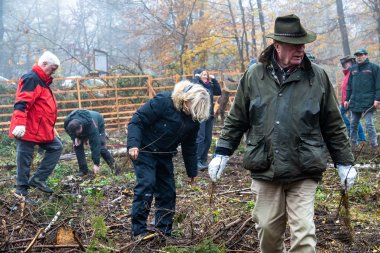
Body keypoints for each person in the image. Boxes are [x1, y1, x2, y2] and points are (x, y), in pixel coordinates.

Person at [208, 14, 357, 253]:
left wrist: (344, 162)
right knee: (267, 228)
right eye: (295, 45)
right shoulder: (255, 76)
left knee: (304, 233)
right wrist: (222, 152)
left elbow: (333, 124)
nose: (301, 49)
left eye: (303, 44)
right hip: (265, 166)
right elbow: (237, 119)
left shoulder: (317, 77)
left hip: (304, 166)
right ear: (277, 46)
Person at [127, 80, 210, 238]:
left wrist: (192, 171)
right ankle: (138, 230)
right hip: (143, 150)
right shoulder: (164, 102)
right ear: (186, 100)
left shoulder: (193, 120)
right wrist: (133, 144)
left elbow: (189, 146)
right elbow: (137, 120)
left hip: (165, 154)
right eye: (193, 107)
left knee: (168, 192)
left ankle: (164, 230)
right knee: (147, 184)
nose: (193, 113)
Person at [9, 51, 63, 201]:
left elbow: (43, 108)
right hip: (27, 128)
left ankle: (38, 179)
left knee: (56, 147)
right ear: (44, 64)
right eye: (52, 68)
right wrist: (20, 123)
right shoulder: (32, 78)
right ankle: (21, 192)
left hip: (40, 129)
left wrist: (51, 127)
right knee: (24, 159)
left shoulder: (42, 81)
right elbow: (22, 102)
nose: (53, 72)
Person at [64, 109, 118, 176]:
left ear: (81, 126)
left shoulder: (91, 124)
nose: (77, 134)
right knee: (77, 145)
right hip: (81, 126)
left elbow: (95, 144)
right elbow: (70, 132)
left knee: (100, 147)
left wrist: (96, 163)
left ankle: (115, 168)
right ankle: (83, 170)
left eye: (78, 133)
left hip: (98, 120)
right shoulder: (67, 124)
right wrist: (75, 137)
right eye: (75, 133)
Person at [344, 48, 380, 148]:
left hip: (369, 101)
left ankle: (374, 145)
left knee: (369, 124)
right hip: (355, 101)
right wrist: (347, 99)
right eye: (357, 55)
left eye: (361, 55)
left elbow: (379, 85)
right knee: (353, 124)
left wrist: (377, 99)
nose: (359, 57)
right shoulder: (353, 69)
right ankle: (353, 145)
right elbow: (349, 86)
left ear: (366, 55)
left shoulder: (374, 67)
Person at [192, 68, 221, 170]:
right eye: (203, 74)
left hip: (209, 115)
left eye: (206, 74)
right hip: (200, 114)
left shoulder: (210, 85)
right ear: (199, 76)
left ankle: (203, 159)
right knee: (201, 138)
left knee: (208, 139)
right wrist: (196, 77)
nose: (205, 76)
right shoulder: (198, 85)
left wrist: (214, 80)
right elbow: (193, 85)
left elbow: (219, 92)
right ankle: (197, 161)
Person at [339, 55, 366, 143]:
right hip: (345, 102)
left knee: (352, 119)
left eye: (348, 63)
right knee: (353, 119)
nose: (346, 65)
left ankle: (359, 138)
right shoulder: (347, 74)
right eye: (345, 63)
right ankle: (361, 138)